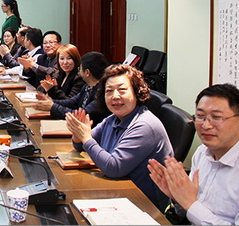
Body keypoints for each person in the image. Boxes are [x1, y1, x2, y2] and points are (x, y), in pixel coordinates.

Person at [66, 64, 174, 211]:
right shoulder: (114, 118)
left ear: (136, 92)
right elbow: (81, 145)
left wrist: (85, 137)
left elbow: (114, 168)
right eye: (109, 91)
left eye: (122, 90)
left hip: (145, 206)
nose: (115, 96)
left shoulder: (145, 125)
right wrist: (78, 134)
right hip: (118, 193)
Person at [148, 84, 239, 224]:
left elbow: (193, 205)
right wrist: (178, 196)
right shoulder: (202, 152)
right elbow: (193, 206)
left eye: (216, 117)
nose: (205, 125)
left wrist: (189, 203)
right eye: (200, 116)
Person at [34, 51, 110, 126]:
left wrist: (52, 107)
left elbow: (82, 115)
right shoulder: (88, 86)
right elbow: (72, 102)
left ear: (87, 72)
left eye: (80, 69)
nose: (79, 72)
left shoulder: (102, 92)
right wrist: (49, 101)